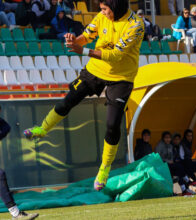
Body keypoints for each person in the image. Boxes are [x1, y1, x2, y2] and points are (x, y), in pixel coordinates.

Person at [23, 0, 144, 191]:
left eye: (105, 9)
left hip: (121, 78)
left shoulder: (135, 25)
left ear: (117, 7)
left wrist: (83, 51)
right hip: (94, 71)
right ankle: (42, 129)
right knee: (68, 101)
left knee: (113, 125)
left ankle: (104, 168)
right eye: (101, 9)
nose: (101, 12)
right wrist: (74, 41)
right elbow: (87, 36)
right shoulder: (101, 17)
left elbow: (115, 55)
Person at [155, 131, 194, 196]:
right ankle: (186, 183)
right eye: (166, 138)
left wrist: (171, 161)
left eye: (169, 138)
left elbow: (171, 157)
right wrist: (167, 161)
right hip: (162, 166)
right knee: (178, 168)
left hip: (169, 165)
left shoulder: (170, 146)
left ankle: (185, 188)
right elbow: (158, 158)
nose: (168, 139)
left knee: (179, 170)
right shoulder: (160, 146)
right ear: (163, 138)